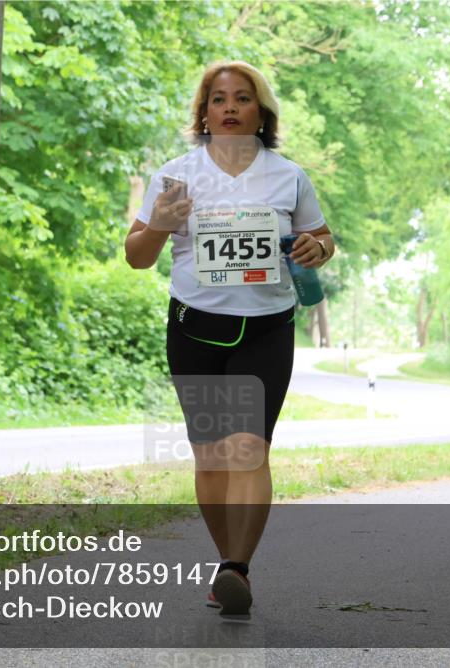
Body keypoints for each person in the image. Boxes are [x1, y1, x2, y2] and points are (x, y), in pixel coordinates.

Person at [124, 61, 334, 616]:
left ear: (262, 113)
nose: (231, 107)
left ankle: (237, 566)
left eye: (243, 98)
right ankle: (227, 564)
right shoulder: (176, 175)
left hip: (266, 328)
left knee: (250, 450)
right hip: (196, 326)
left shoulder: (288, 176)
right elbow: (137, 257)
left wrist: (318, 249)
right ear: (204, 112)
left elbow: (319, 237)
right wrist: (162, 224)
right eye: (219, 99)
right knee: (212, 458)